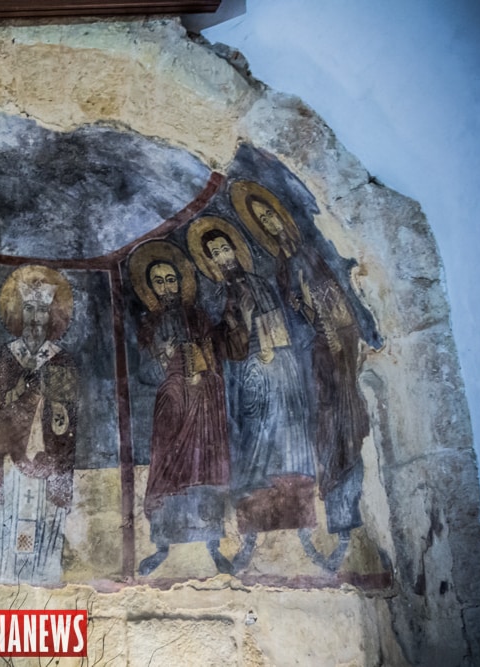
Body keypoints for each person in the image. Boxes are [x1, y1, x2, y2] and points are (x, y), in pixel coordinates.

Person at [232, 181, 369, 538]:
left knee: (341, 422)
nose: (270, 224)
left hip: (333, 349)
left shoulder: (309, 254)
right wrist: (301, 311)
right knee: (322, 425)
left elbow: (336, 306)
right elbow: (295, 317)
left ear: (283, 216)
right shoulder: (280, 267)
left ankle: (348, 511)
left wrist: (325, 323)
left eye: (270, 216)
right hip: (309, 354)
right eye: (262, 221)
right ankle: (336, 508)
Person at [188, 218, 317, 545]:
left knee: (285, 442)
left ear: (235, 250)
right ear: (210, 262)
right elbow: (219, 344)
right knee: (252, 443)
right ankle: (250, 534)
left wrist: (268, 349)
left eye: (225, 249)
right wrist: (240, 327)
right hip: (244, 374)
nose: (223, 257)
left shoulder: (259, 283)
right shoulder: (217, 297)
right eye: (216, 254)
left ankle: (301, 532)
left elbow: (277, 325)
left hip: (277, 367)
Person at [127, 241, 230, 576]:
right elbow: (144, 373)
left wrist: (202, 365)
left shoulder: (199, 317)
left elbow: (216, 358)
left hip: (204, 404)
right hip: (172, 406)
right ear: (151, 289)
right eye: (159, 282)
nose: (166, 288)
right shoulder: (149, 325)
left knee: (205, 468)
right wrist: (163, 356)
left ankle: (213, 545)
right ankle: (162, 546)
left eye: (171, 280)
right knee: (168, 470)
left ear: (181, 282)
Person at [0, 265, 78, 585]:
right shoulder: (7, 357)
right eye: (30, 309)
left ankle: (42, 582)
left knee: (43, 526)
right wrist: (17, 395)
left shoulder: (60, 359)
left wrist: (58, 413)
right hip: (9, 462)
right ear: (19, 313)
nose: (36, 318)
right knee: (7, 524)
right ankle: (2, 582)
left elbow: (66, 420)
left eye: (43, 311)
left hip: (46, 461)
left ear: (52, 316)